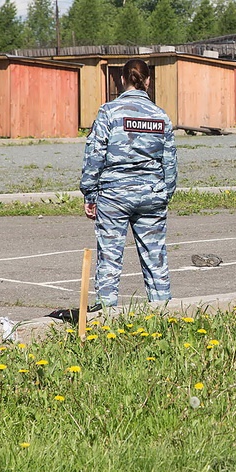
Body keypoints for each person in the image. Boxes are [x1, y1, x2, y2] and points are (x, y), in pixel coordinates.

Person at [80, 59, 177, 309]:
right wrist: (164, 193)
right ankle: (162, 310)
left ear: (122, 80)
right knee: (155, 257)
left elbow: (94, 155)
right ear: (148, 81)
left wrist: (90, 194)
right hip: (152, 193)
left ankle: (107, 311)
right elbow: (170, 162)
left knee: (110, 255)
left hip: (115, 195)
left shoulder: (109, 112)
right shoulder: (160, 116)